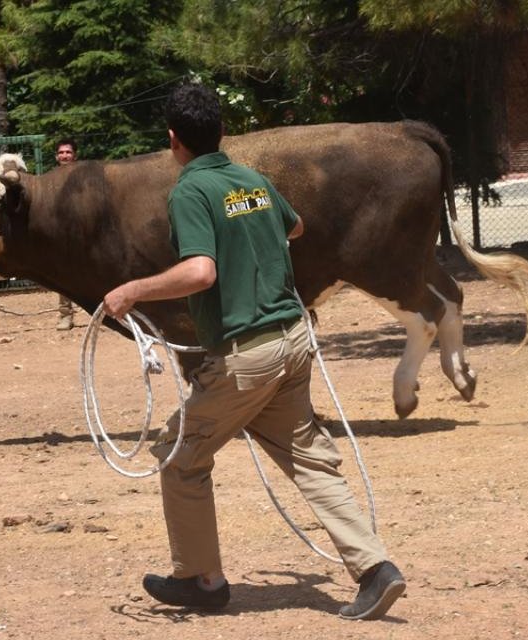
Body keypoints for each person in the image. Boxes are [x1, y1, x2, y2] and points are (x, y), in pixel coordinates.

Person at [101, 83, 405, 621]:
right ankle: (376, 569)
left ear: (173, 140)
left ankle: (201, 580)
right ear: (221, 131)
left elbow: (200, 271)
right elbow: (297, 226)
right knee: (310, 461)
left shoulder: (190, 191)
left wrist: (132, 291)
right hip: (291, 343)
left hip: (248, 355)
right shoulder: (252, 180)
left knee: (180, 457)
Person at [55, 139, 79, 330]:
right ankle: (65, 315)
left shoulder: (82, 176)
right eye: (61, 152)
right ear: (57, 156)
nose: (65, 155)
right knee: (64, 276)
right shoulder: (50, 180)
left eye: (68, 152)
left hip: (87, 232)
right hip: (63, 234)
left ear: (75, 156)